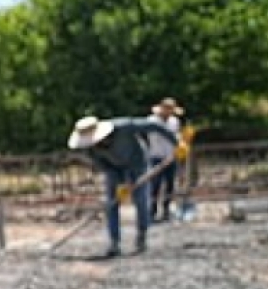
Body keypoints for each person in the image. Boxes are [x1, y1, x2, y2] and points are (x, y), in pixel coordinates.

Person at [66, 115, 179, 258]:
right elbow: (103, 166)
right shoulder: (90, 149)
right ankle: (114, 243)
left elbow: (155, 127)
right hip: (115, 169)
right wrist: (120, 184)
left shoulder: (123, 127)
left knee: (141, 200)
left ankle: (141, 236)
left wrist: (177, 143)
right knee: (111, 204)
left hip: (137, 164)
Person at [147, 97, 185, 222]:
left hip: (171, 156)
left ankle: (166, 210)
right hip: (156, 155)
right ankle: (152, 211)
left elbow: (177, 137)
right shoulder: (152, 121)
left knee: (170, 185)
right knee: (155, 185)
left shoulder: (174, 121)